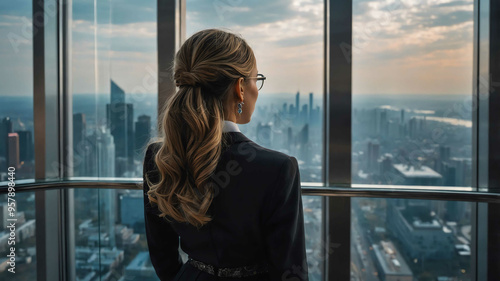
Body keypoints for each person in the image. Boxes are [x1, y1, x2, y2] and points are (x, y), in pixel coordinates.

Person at [142, 28, 308, 281]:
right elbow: (289, 270)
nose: (256, 90)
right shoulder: (278, 168)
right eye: (256, 80)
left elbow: (162, 253)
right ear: (240, 87)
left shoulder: (160, 156)